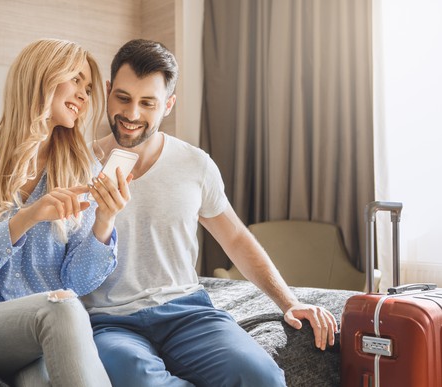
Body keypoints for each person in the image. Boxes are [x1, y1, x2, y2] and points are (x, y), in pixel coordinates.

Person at [79, 39, 339, 387]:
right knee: (141, 380)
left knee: (261, 377)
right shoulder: (76, 165)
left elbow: (235, 237)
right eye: (123, 98)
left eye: (148, 103)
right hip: (111, 322)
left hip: (187, 312)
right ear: (109, 92)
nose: (132, 114)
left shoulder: (194, 164)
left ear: (168, 105)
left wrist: (289, 302)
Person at [0, 38, 131, 386]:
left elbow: (77, 281)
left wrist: (104, 222)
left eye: (88, 88)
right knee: (63, 307)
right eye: (76, 80)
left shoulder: (83, 170)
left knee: (41, 375)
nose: (85, 96)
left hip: (41, 335)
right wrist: (28, 216)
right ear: (40, 77)